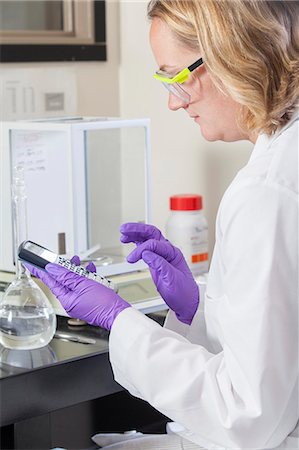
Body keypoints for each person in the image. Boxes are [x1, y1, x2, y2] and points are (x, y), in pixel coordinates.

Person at [27, 1, 299, 449]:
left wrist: (120, 321)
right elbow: (276, 350)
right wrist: (196, 312)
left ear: (233, 54)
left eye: (175, 76)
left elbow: (246, 419)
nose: (174, 102)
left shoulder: (266, 193)